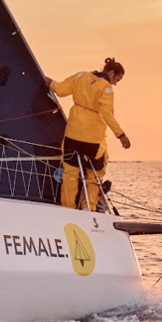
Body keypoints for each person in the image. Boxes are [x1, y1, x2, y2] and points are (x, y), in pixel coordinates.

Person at [45, 57, 128, 210]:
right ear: (111, 73)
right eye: (117, 79)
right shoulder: (106, 88)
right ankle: (88, 208)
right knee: (96, 173)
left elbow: (60, 90)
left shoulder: (81, 76)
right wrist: (121, 135)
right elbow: (106, 114)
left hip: (73, 136)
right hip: (93, 140)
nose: (115, 83)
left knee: (70, 174)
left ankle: (67, 208)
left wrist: (47, 81)